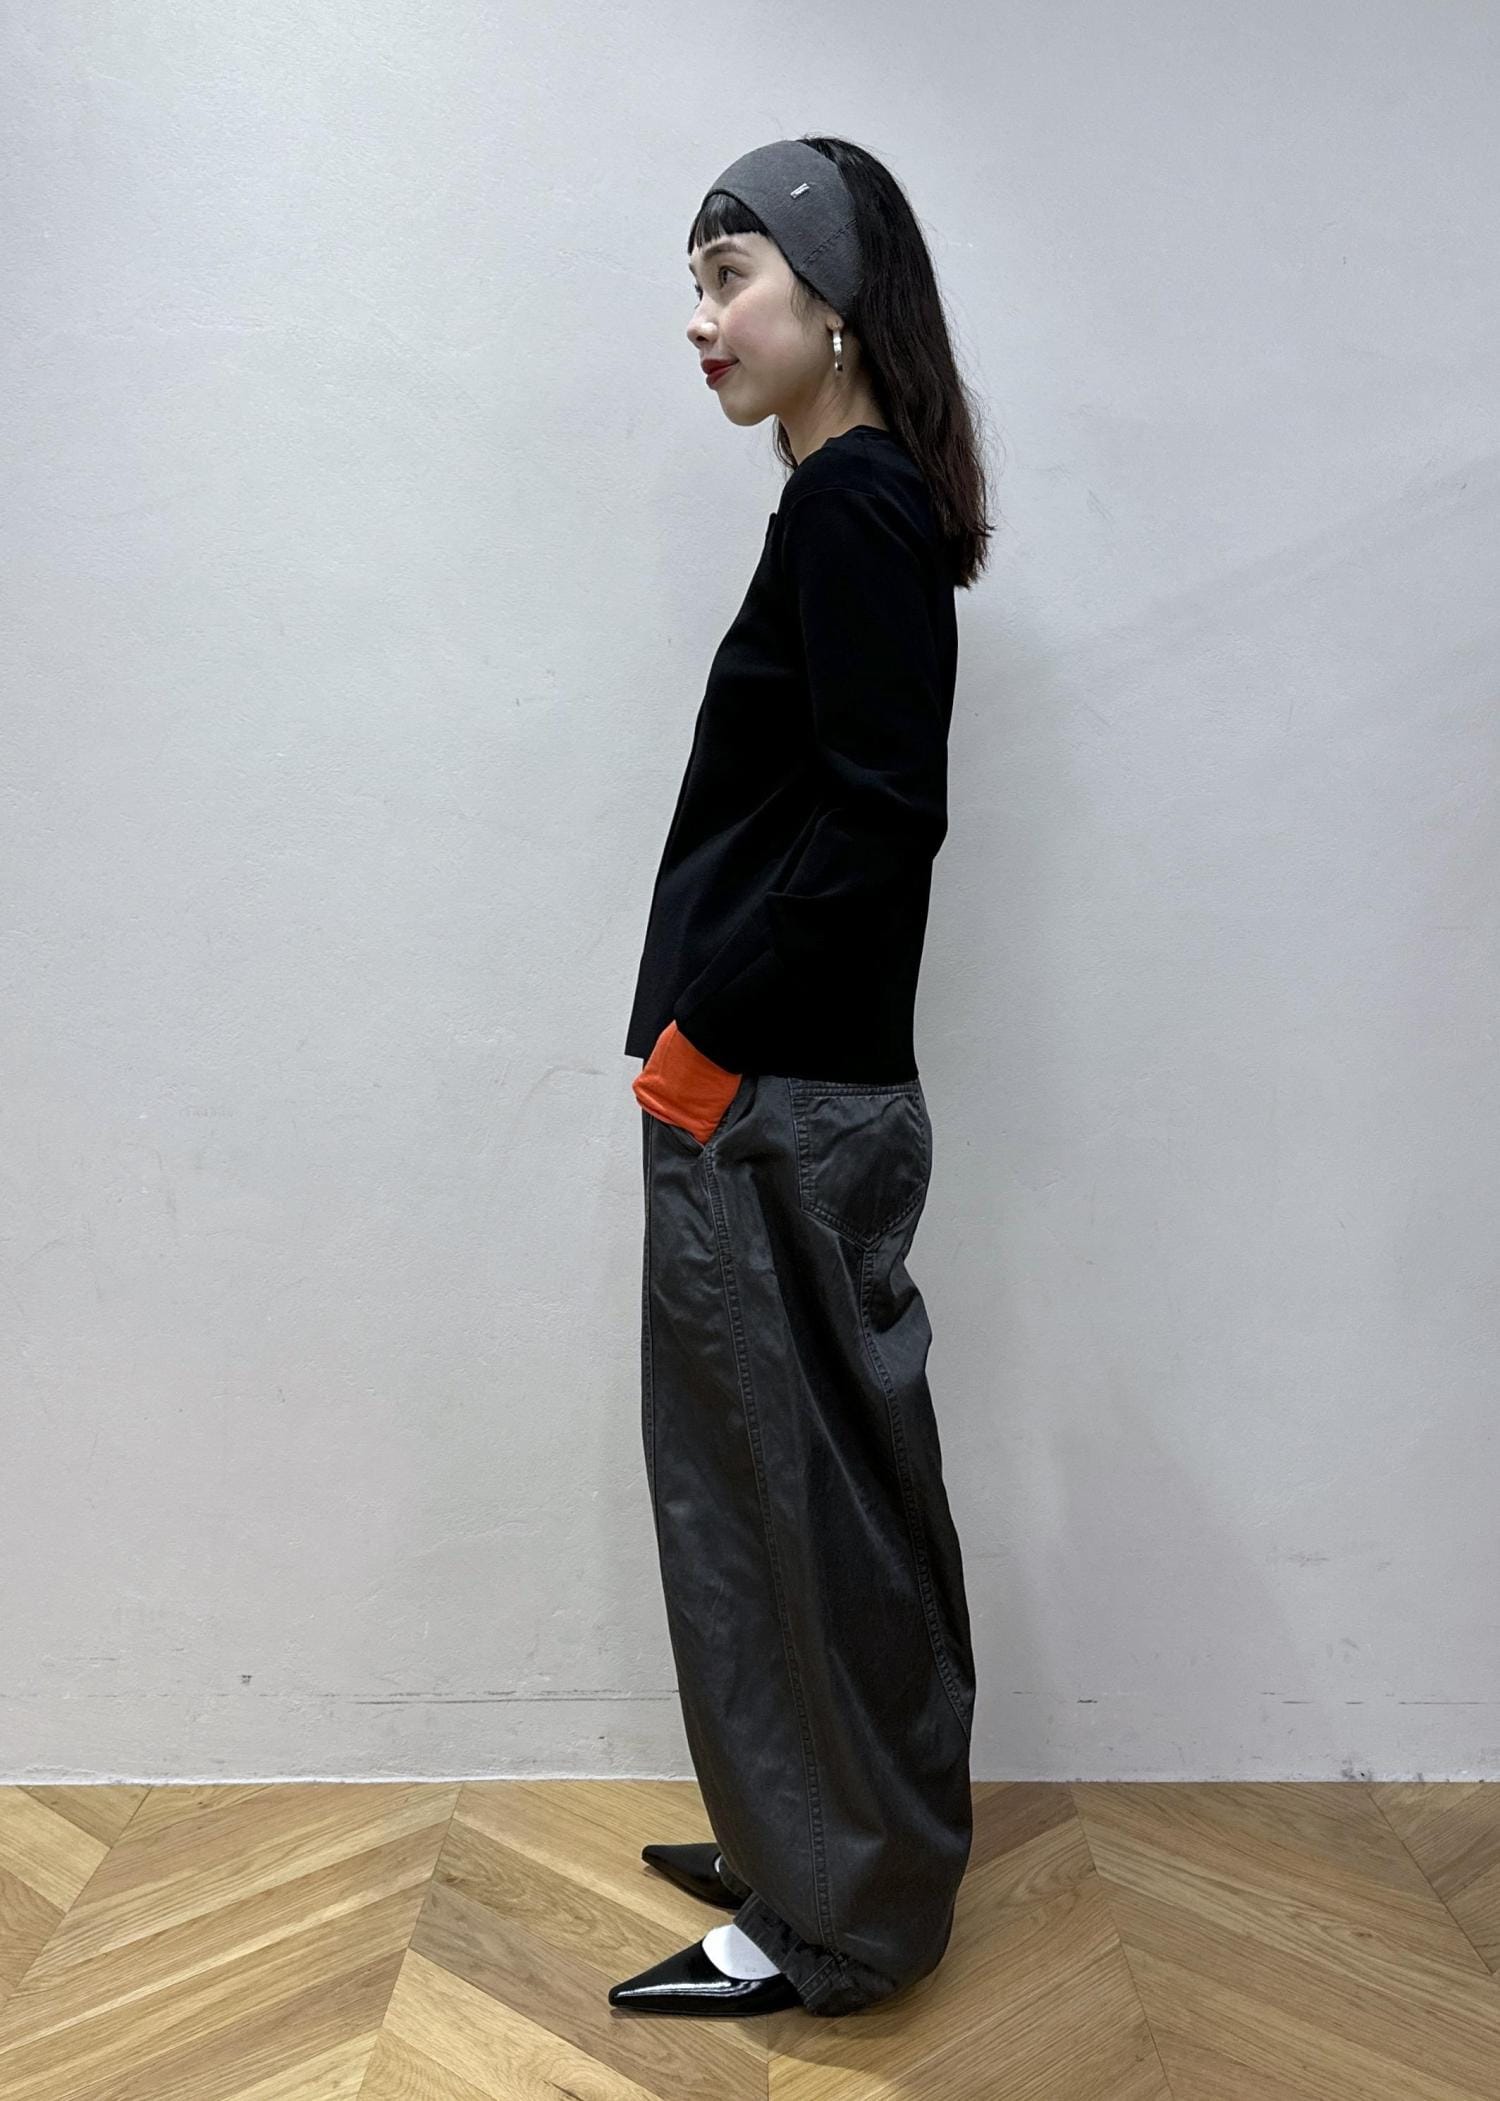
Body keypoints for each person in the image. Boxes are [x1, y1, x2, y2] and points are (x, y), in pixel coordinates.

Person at [610, 135, 993, 2021]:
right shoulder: (857, 503)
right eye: (695, 281)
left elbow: (878, 821)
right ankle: (810, 1836)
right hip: (787, 1091)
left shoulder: (852, 508)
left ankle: (832, 1914)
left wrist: (708, 1035)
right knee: (797, 1497)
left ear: (834, 299)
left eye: (731, 274)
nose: (702, 318)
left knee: (780, 1507)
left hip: (771, 1099)